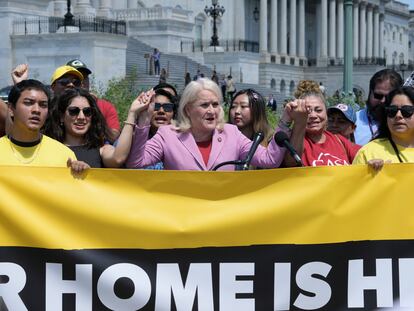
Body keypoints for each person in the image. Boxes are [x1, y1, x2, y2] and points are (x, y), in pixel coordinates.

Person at [126, 78, 286, 170]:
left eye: (215, 104)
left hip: (221, 220)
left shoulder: (232, 134)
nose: (212, 111)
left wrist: (286, 120)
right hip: (182, 220)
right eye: (204, 105)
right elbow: (136, 163)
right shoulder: (168, 135)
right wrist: (144, 119)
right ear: (188, 109)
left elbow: (269, 159)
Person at [0, 79, 88, 174]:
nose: (36, 110)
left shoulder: (64, 156)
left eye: (43, 105)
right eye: (29, 103)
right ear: (11, 108)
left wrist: (85, 175)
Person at [45, 88, 140, 168]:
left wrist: (132, 113)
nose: (81, 117)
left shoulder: (101, 150)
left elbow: (118, 158)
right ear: (61, 116)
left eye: (87, 112)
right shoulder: (47, 149)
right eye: (74, 111)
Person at [282, 87, 360, 167]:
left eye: (318, 110)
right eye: (307, 111)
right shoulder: (292, 140)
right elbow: (291, 162)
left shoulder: (339, 140)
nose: (313, 115)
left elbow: (365, 155)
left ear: (326, 114)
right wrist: (299, 122)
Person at [353, 86, 414, 170]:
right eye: (392, 110)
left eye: (406, 110)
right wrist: (368, 173)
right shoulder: (369, 152)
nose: (398, 115)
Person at [67, 59, 121, 142]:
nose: (81, 82)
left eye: (84, 78)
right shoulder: (58, 105)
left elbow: (114, 136)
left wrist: (95, 110)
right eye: (77, 79)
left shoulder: (105, 105)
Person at [354, 69, 403, 145]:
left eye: (388, 97)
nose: (382, 101)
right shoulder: (353, 122)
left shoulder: (406, 124)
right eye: (378, 96)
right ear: (370, 93)